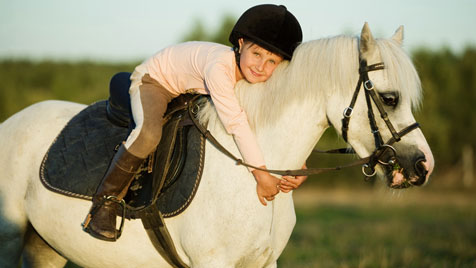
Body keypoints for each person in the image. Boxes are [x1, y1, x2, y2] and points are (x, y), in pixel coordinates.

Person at [82, 4, 304, 242]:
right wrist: (261, 176)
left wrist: (299, 166)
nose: (261, 67)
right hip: (156, 81)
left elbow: (270, 123)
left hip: (187, 88)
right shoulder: (219, 68)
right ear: (240, 44)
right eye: (257, 54)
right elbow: (237, 124)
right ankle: (105, 202)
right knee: (148, 134)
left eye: (272, 61)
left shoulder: (252, 74)